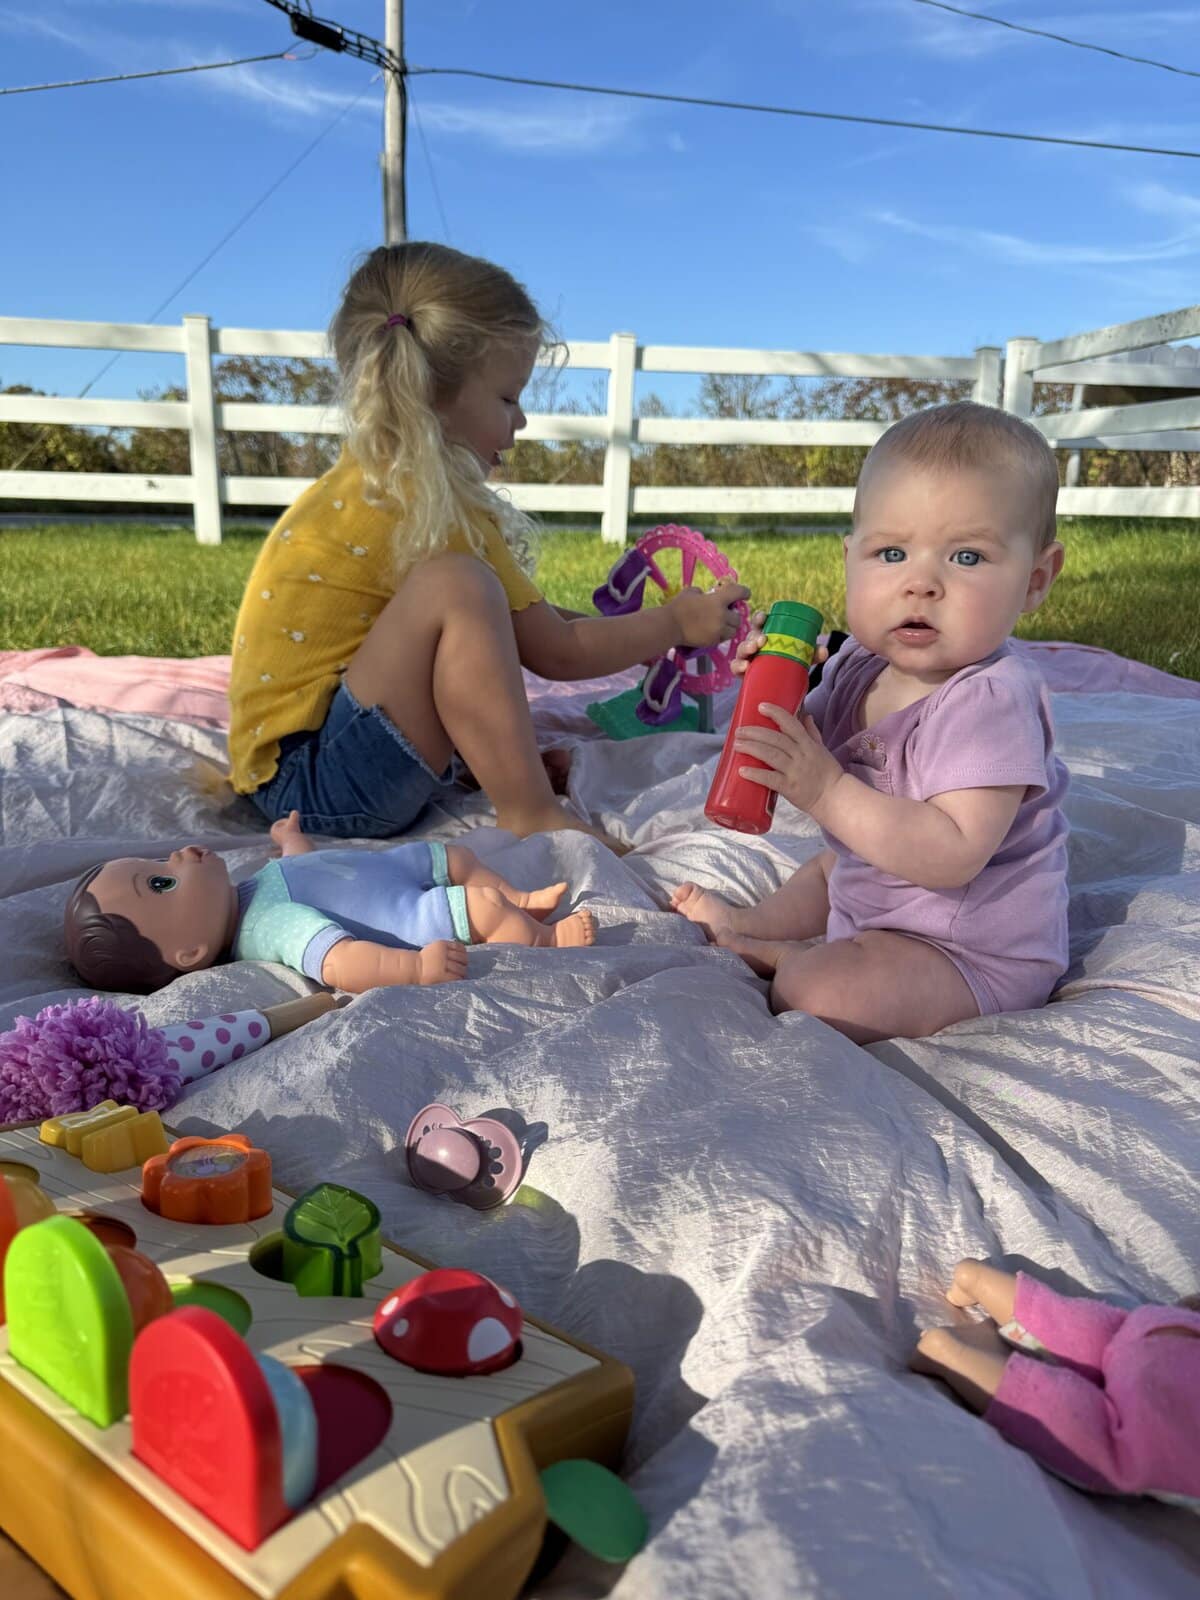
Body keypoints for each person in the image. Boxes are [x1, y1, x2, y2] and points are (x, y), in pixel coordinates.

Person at [226, 242, 747, 845]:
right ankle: (529, 811)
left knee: (469, 596)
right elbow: (558, 652)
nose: (520, 421)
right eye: (508, 398)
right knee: (459, 587)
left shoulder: (377, 480)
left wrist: (643, 640)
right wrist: (674, 623)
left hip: (291, 777)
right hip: (319, 789)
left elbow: (522, 629)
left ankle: (485, 761)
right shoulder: (434, 502)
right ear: (429, 398)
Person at [672, 400, 1069, 1044]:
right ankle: (759, 922)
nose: (921, 584)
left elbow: (953, 854)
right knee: (831, 865)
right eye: (891, 553)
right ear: (851, 556)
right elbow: (819, 747)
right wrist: (775, 694)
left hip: (966, 950)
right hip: (875, 887)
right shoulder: (860, 662)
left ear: (1035, 579)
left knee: (819, 994)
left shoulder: (992, 700)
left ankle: (787, 957)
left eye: (966, 558)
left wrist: (826, 790)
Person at [63, 811, 595, 996]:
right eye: (162, 884)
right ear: (190, 952)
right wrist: (413, 967)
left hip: (392, 873)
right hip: (406, 919)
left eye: (158, 864)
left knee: (456, 856)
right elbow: (339, 961)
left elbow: (299, 867)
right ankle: (546, 938)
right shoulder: (270, 926)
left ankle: (521, 899)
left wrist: (289, 840)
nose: (177, 857)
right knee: (480, 906)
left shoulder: (252, 888)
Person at [910, 1258, 1200, 1503]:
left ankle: (975, 1280)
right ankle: (949, 1354)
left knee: (1075, 1331)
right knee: (1113, 1448)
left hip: (1164, 1321)